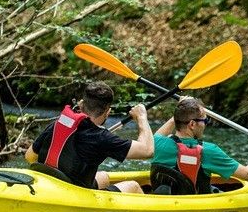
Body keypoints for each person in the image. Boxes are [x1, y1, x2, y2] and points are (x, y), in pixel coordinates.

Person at [25, 81, 153, 193]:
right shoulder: (102, 138)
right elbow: (148, 150)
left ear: (81, 105)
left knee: (104, 177)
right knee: (134, 186)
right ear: (107, 112)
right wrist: (142, 116)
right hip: (74, 191)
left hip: (50, 182)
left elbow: (30, 156)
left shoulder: (60, 124)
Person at [150, 96, 248, 194]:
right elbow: (247, 174)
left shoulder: (157, 144)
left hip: (165, 203)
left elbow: (158, 135)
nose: (206, 124)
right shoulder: (208, 151)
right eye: (205, 120)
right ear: (192, 124)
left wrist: (181, 111)